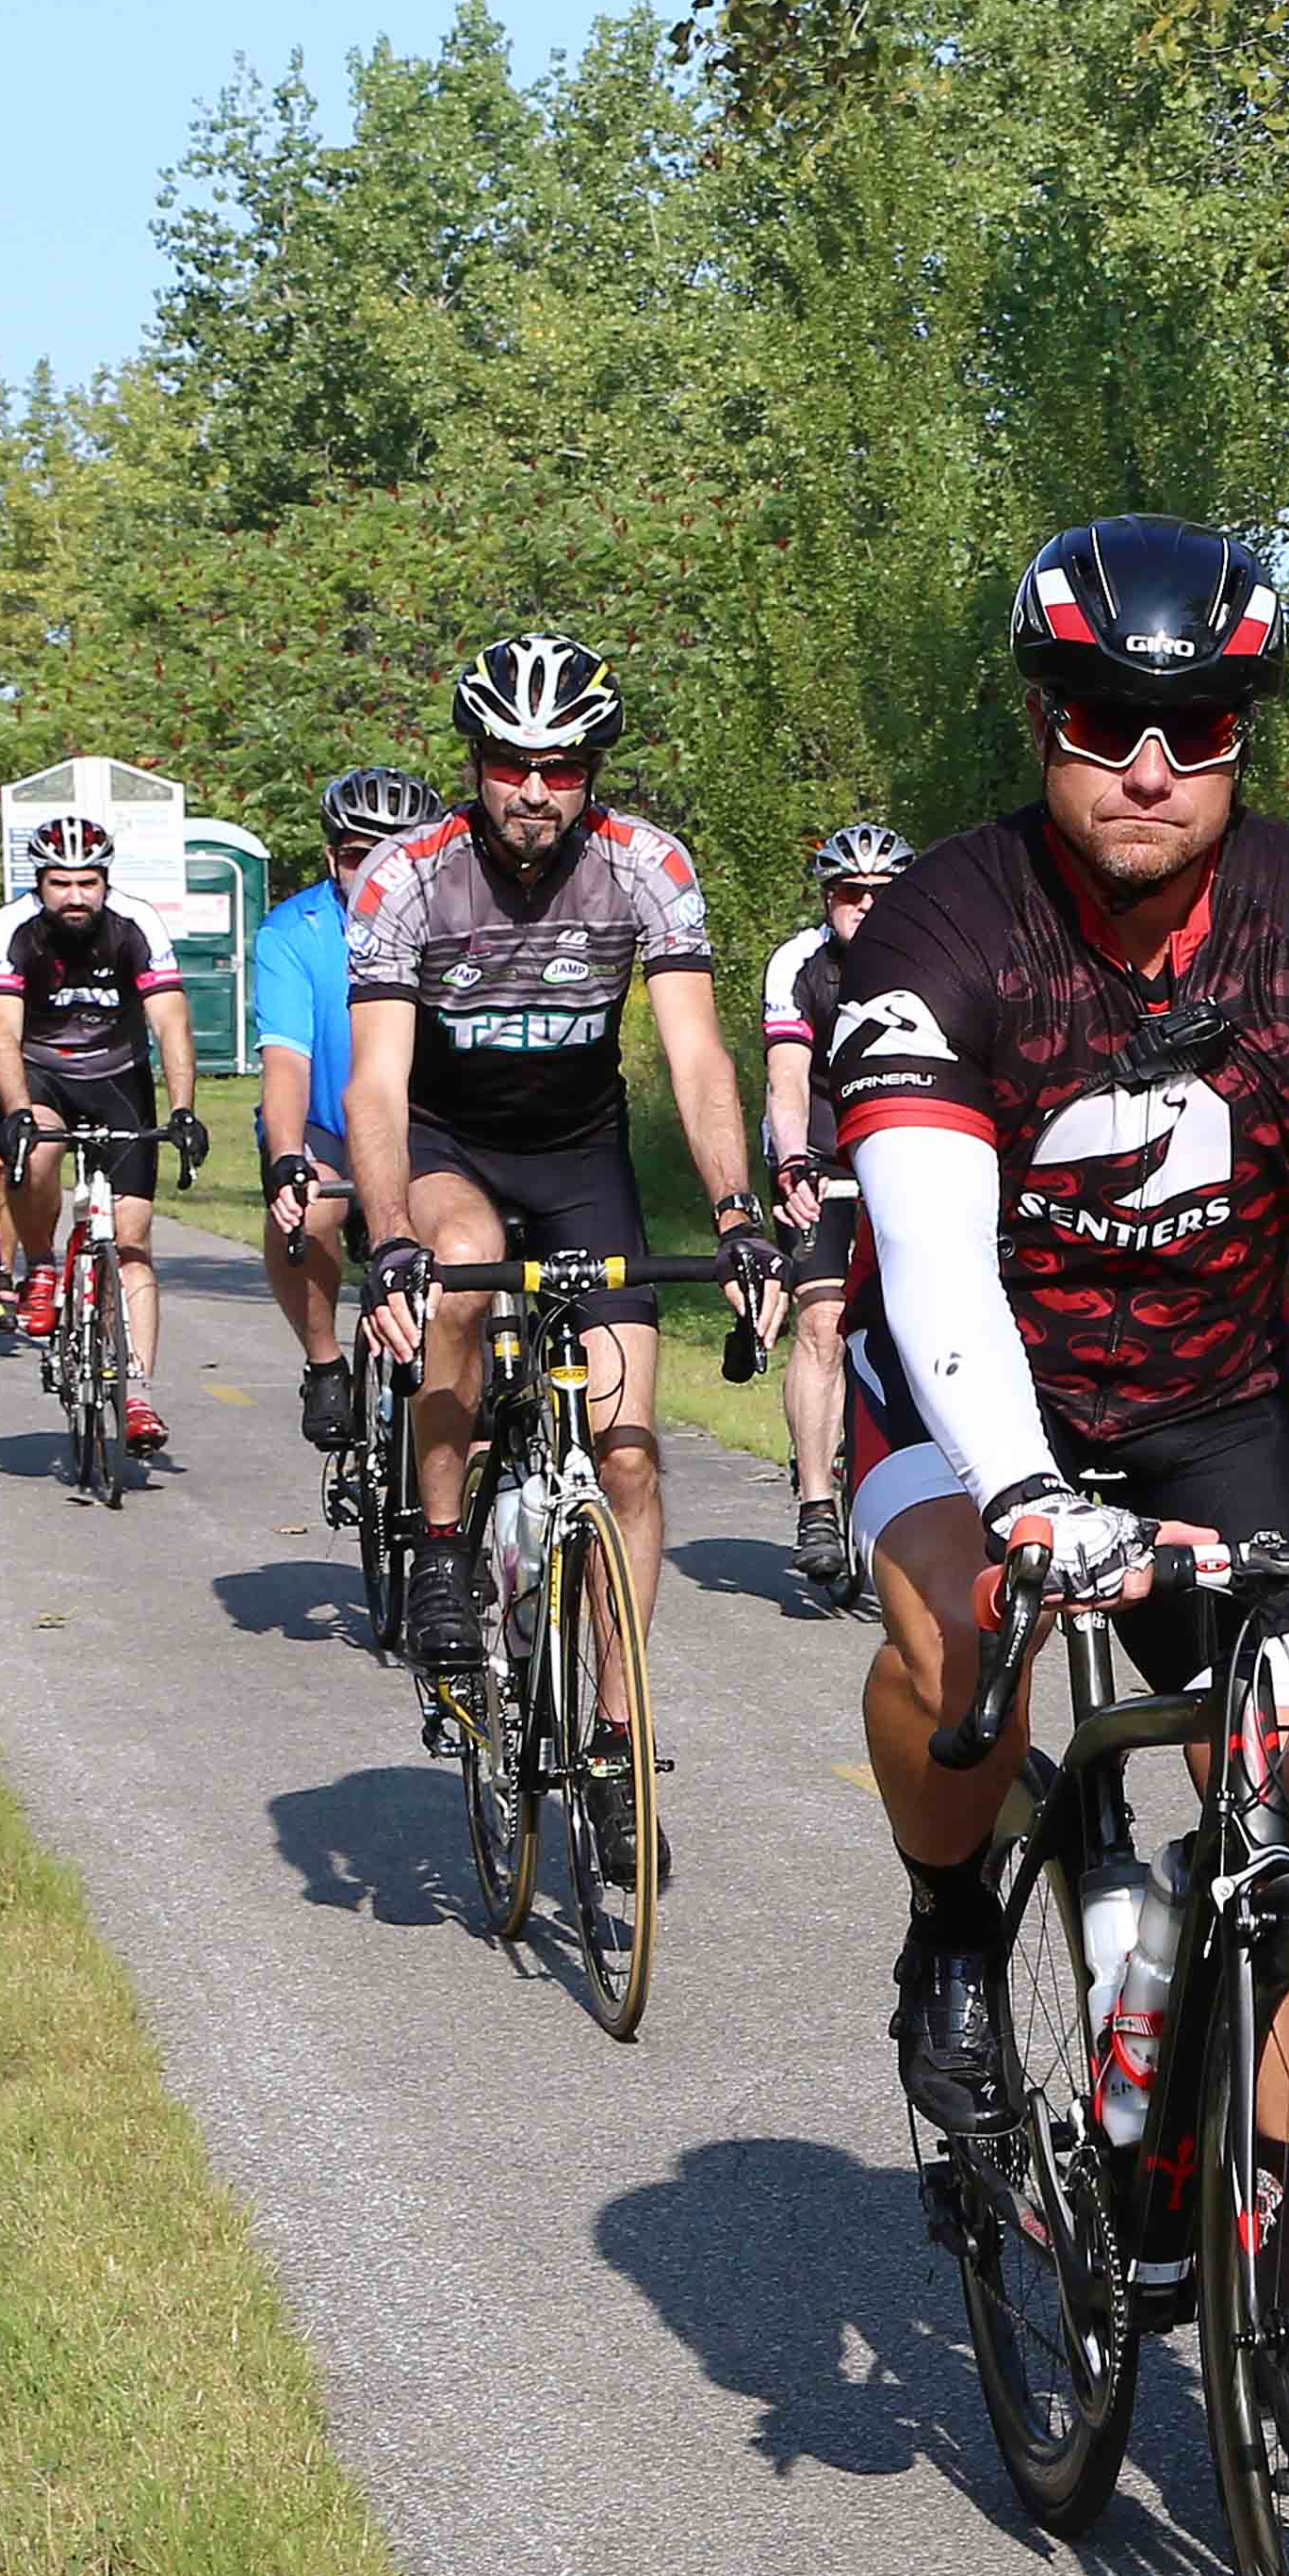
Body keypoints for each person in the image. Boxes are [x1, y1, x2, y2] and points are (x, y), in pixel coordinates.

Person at [830, 518, 1289, 2470]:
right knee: (963, 1629)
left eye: (1198, 726)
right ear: (1042, 720)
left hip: (1217, 1402)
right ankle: (953, 1926)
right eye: (1104, 719)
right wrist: (1028, 1493)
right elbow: (936, 1265)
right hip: (973, 1396)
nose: (1149, 765)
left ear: (1241, 737)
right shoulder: (938, 935)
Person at [346, 636, 783, 1881]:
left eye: (562, 767)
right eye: (509, 764)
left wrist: (737, 1213)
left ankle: (616, 1746)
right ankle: (444, 1552)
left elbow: (697, 1056)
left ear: (593, 770)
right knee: (463, 1261)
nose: (534, 791)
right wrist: (389, 1238)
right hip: (449, 1147)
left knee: (629, 1455)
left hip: (582, 1158)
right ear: (473, 762)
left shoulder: (648, 866)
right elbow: (375, 1082)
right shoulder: (406, 877)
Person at [0, 818, 207, 1450]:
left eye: (88, 882)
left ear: (107, 880)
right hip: (42, 1074)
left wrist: (183, 1109)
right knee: (39, 1149)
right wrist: (16, 1109)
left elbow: (171, 1023)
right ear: (39, 883)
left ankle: (138, 1395)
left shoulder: (136, 924)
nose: (75, 896)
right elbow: (1, 1029)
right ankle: (40, 1265)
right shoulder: (12, 928)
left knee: (132, 1238)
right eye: (60, 883)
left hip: (118, 1078)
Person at [757, 820, 915, 1595]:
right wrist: (792, 1161)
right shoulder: (801, 963)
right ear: (828, 898)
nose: (867, 906)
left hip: (906, 1153)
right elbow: (787, 1077)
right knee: (821, 1320)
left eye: (884, 893)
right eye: (851, 893)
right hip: (820, 1157)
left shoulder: (937, 956)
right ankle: (818, 1504)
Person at [257, 770, 430, 1452]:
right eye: (361, 855)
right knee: (309, 1209)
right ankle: (325, 1361)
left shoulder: (452, 918)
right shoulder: (293, 931)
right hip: (329, 1123)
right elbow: (287, 1063)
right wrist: (286, 1158)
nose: (379, 872)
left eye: (399, 854)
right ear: (332, 857)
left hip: (424, 1129)